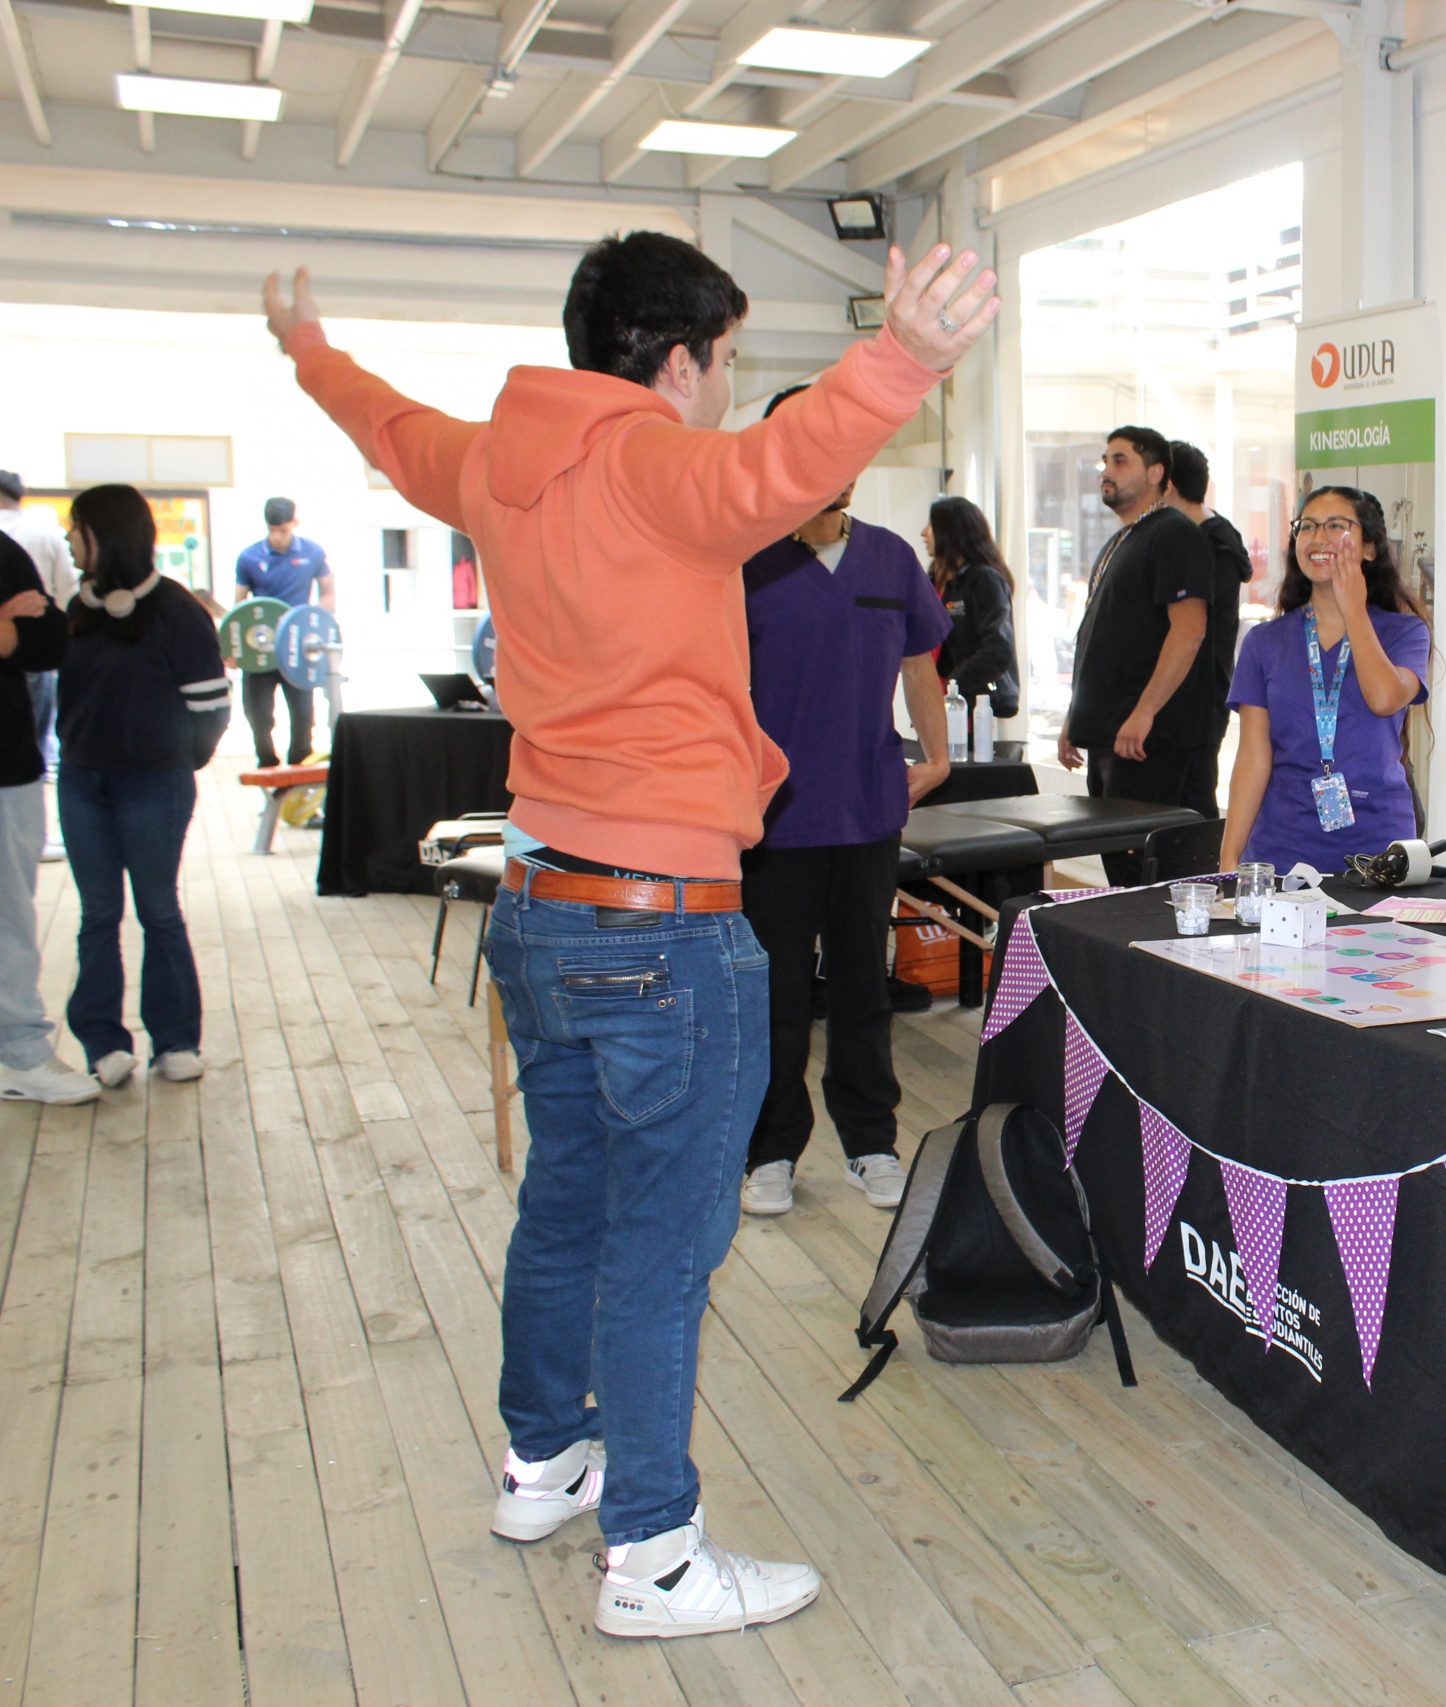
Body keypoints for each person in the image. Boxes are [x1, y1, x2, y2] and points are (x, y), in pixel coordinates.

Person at [261, 233, 993, 1639]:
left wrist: (309, 351)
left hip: (539, 903)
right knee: (660, 1249)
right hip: (664, 925)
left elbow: (385, 424)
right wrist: (903, 353)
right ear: (679, 360)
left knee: (566, 1206)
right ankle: (653, 1555)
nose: (726, 384)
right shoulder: (655, 464)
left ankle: (544, 1461)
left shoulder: (495, 459)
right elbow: (786, 463)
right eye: (726, 359)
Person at [739, 384, 951, 1221]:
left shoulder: (890, 558)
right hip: (774, 817)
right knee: (777, 992)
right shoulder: (742, 561)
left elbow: (920, 665)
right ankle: (769, 1150)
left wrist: (937, 755)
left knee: (865, 984)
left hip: (867, 807)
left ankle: (872, 1141)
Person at [55, 484, 229, 1088]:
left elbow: (212, 708)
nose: (69, 539)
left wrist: (176, 763)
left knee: (158, 909)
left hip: (155, 786)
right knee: (98, 914)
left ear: (106, 534)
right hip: (82, 784)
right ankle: (102, 1042)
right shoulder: (75, 611)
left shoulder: (177, 611)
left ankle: (176, 1040)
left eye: (77, 527)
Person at [1220, 487, 1430, 875]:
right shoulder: (1264, 641)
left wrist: (1353, 610)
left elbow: (1384, 698)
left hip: (1378, 844)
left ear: (1370, 548)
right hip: (1283, 843)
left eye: (1336, 525)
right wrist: (1229, 858)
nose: (1318, 538)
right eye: (1307, 526)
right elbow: (1253, 755)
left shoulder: (1405, 632)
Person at [1060, 426, 1221, 871]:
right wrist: (1076, 718)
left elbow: (1189, 631)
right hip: (1113, 739)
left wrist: (1145, 711)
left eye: (1120, 460)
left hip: (1153, 742)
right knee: (1122, 872)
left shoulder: (1175, 534)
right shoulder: (1122, 540)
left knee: (1157, 875)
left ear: (1155, 473)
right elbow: (1102, 640)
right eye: (1105, 461)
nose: (1106, 471)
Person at [0, 526, 91, 1105]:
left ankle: (20, 1050)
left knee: (9, 914)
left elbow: (49, 641)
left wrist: (11, 630)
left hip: (6, 766)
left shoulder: (3, 553)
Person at [232, 495, 333, 768]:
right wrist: (234, 648)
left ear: (294, 523)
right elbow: (239, 605)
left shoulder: (313, 553)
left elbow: (328, 596)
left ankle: (298, 771)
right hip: (261, 648)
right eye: (272, 530)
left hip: (297, 648)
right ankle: (267, 766)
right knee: (258, 715)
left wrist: (311, 620)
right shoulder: (249, 557)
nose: (277, 536)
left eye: (283, 530)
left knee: (303, 716)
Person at [1165, 439, 1252, 757]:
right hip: (1195, 696)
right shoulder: (1208, 538)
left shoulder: (1209, 546)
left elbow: (1193, 630)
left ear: (1167, 485)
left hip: (1195, 700)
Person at [0, 470, 76, 783]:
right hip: (32, 650)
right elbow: (67, 598)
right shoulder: (44, 532)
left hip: (27, 651)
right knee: (37, 733)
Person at [923, 495, 1018, 730]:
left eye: (931, 527)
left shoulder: (983, 579)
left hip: (967, 704)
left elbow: (998, 648)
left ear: (951, 532)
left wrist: (955, 683)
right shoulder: (935, 580)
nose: (924, 533)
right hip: (936, 702)